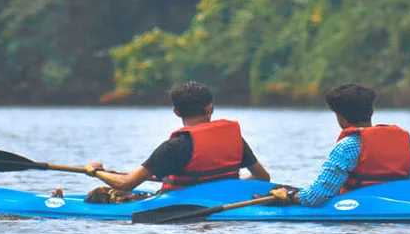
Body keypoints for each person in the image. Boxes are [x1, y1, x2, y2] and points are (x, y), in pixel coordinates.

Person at [52, 80, 271, 203]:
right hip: (227, 200)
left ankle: (60, 202)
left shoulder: (174, 147)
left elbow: (126, 184)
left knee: (99, 193)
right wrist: (233, 187)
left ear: (176, 112)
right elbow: (263, 177)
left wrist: (94, 171)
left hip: (178, 202)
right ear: (209, 108)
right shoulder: (233, 139)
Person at [264, 82, 410, 206]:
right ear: (371, 112)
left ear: (341, 118)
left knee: (279, 189)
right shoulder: (407, 147)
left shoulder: (348, 146)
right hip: (398, 204)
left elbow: (316, 197)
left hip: (358, 208)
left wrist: (290, 196)